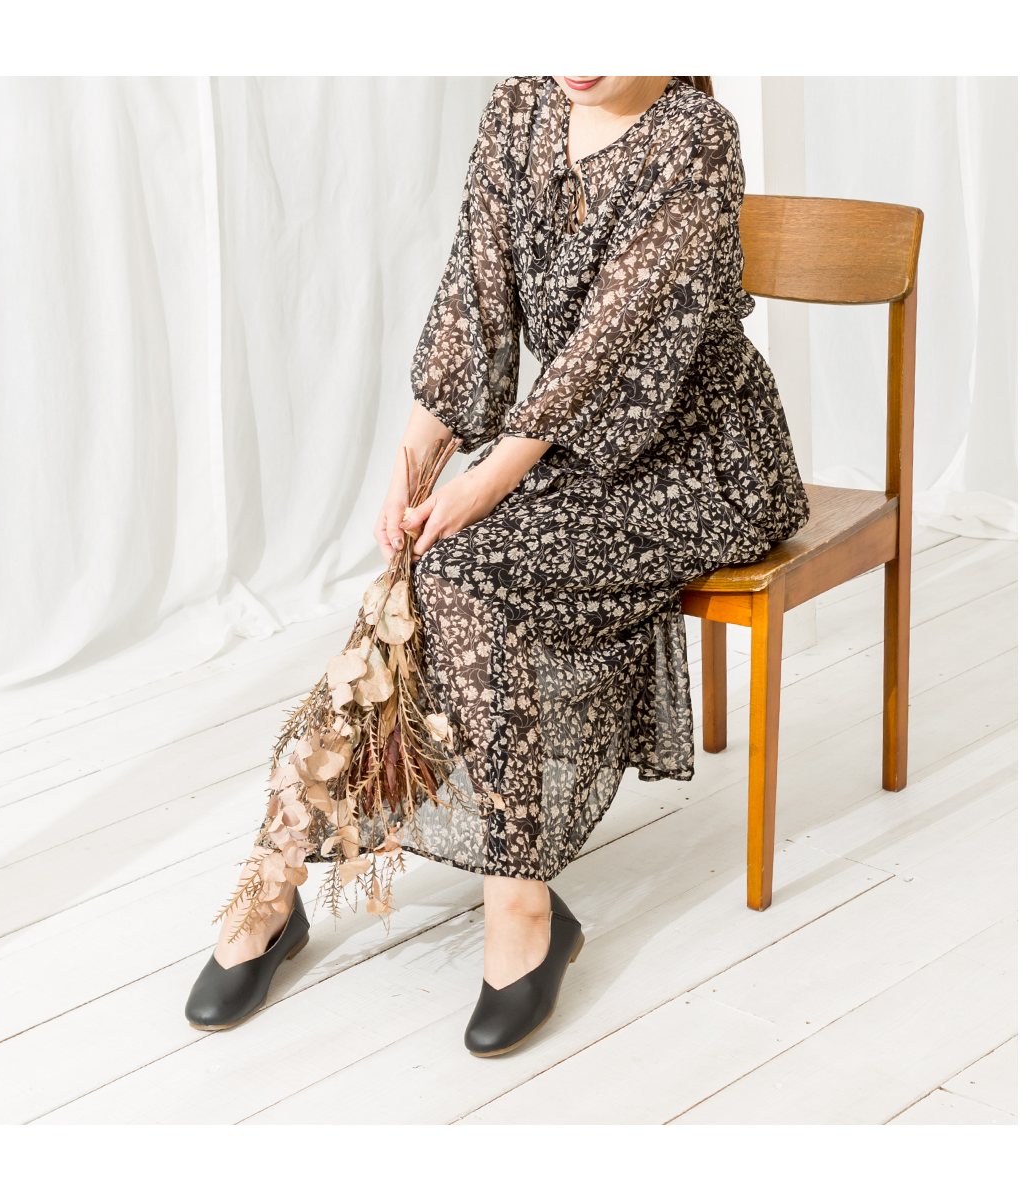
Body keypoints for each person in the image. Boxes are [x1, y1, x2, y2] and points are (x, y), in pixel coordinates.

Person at [184, 75, 809, 1056]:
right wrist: (412, 465)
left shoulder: (696, 133)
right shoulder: (520, 108)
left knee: (461, 573)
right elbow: (471, 305)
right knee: (430, 568)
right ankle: (283, 870)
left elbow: (610, 347)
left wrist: (487, 480)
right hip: (562, 452)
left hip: (700, 461)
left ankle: (508, 903)